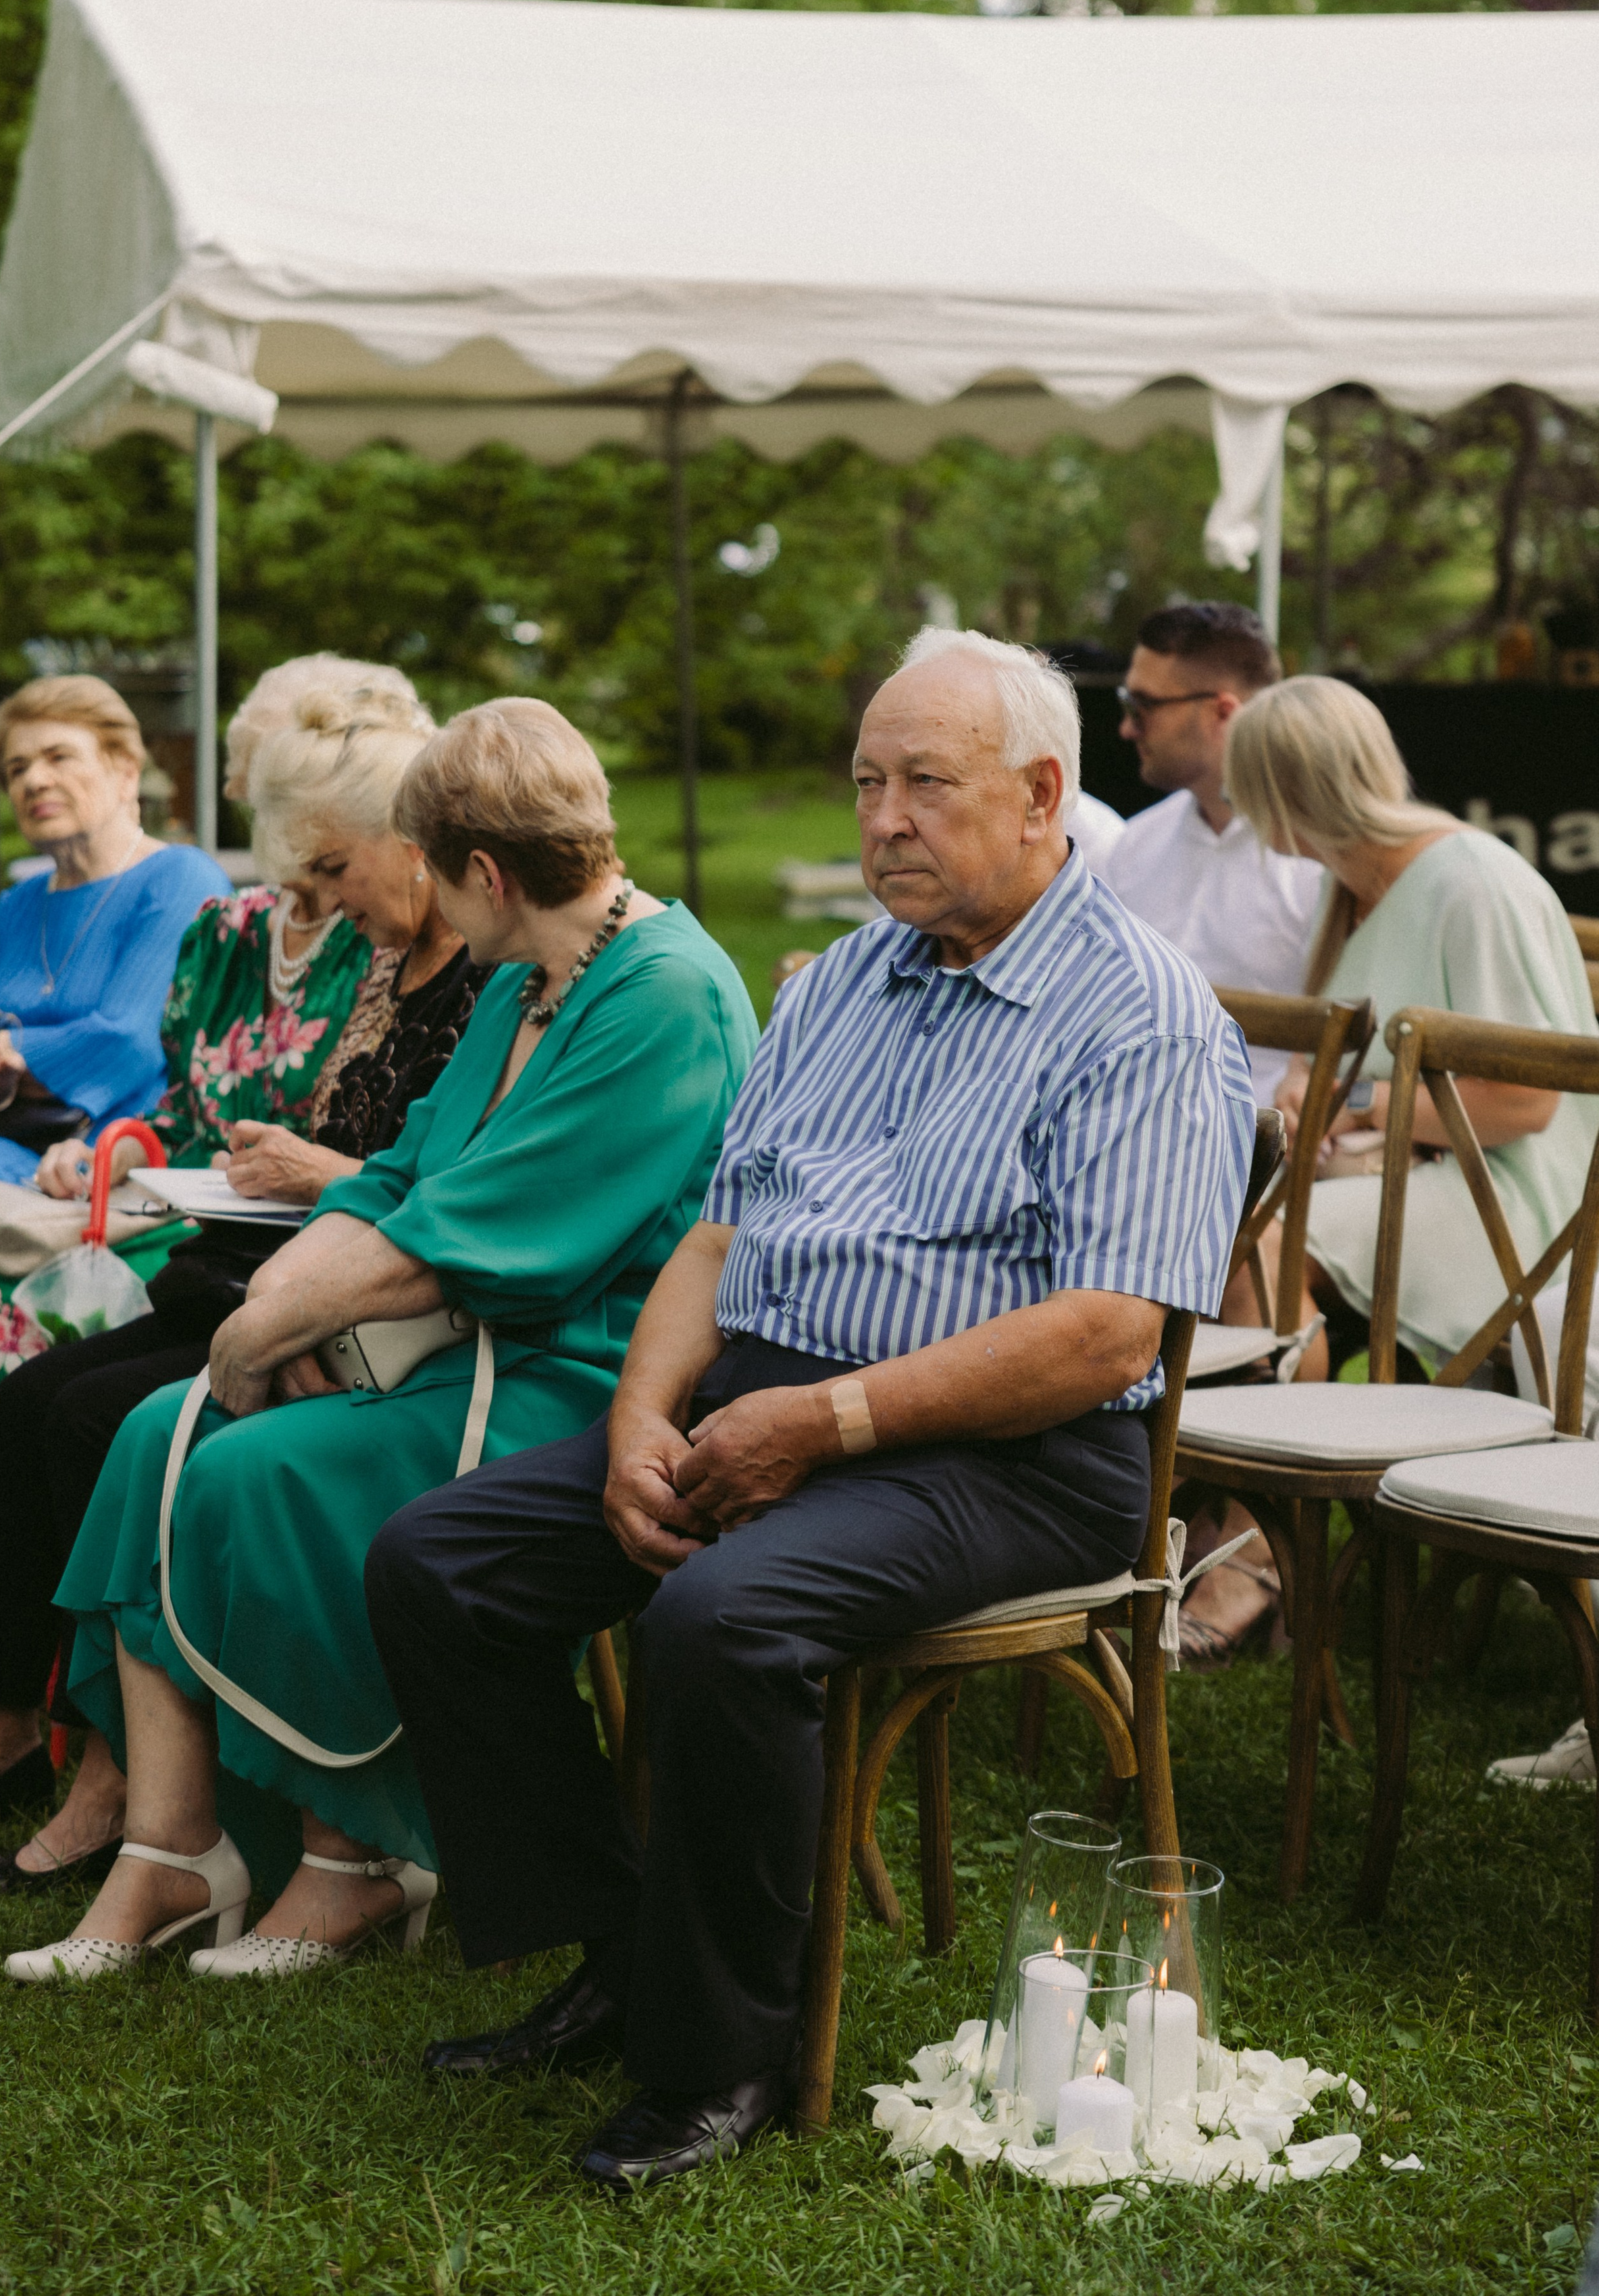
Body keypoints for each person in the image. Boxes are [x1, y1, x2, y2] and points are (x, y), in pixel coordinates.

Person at [362, 627, 1254, 2193]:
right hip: (763, 1393)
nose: (881, 817)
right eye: (865, 782)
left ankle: (719, 2056)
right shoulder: (843, 979)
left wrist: (825, 1424)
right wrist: (645, 1421)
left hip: (1018, 1457)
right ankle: (624, 1943)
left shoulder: (1143, 1017)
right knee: (440, 1561)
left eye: (924, 782)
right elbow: (719, 1232)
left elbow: (1101, 1329)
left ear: (1044, 792)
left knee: (720, 1613)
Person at [1, 698, 757, 1985]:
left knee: (249, 1462)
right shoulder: (529, 972)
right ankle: (175, 1845)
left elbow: (481, 1233)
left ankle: (357, 1853)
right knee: (148, 1433)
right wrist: (279, 1311)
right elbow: (397, 1176)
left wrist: (268, 1333)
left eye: (438, 878)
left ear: (485, 873)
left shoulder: (667, 994)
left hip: (574, 1376)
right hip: (455, 1341)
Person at [0, 671, 487, 1884]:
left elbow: (431, 1185)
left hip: (319, 1280)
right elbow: (185, 1103)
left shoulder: (466, 974)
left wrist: (305, 1177)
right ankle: (3, 1710)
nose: (303, 885)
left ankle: (111, 1766)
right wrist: (131, 1153)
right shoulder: (341, 952)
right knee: (22, 1384)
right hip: (226, 1239)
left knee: (89, 1405)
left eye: (325, 861)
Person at [1225, 675, 1599, 1776]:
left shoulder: (1470, 881)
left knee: (1258, 1247)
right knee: (1238, 1237)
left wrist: (1375, 1112)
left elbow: (1527, 1103)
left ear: (1288, 794)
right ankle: (1262, 1538)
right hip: (1416, 1183)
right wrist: (1319, 1107)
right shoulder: (1361, 890)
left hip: (1519, 1212)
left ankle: (1260, 1554)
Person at [0, 675, 228, 1256]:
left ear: (125, 771)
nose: (35, 779)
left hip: (97, 1156)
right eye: (16, 769)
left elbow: (125, 1043)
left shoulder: (180, 879)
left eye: (59, 757)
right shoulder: (19, 905)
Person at [1099, 603, 1324, 1106]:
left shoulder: (1320, 862)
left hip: (1274, 1160)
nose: (1127, 729)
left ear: (1223, 712)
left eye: (1143, 706)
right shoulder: (1134, 846)